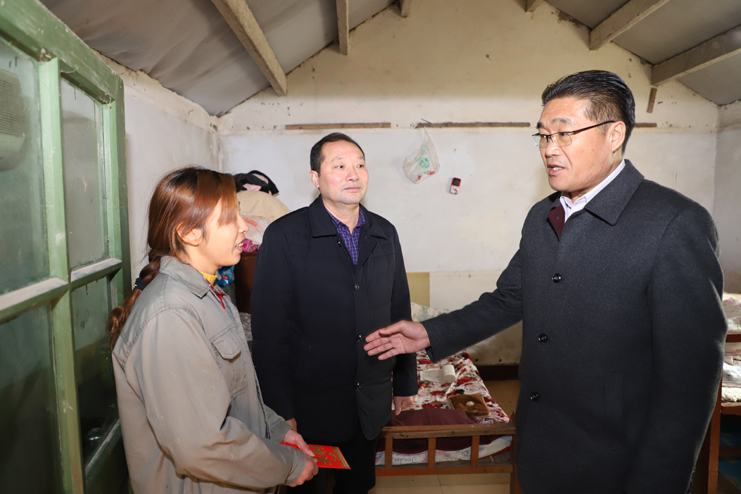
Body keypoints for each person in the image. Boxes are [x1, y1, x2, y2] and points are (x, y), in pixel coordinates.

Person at [364, 70, 727, 493]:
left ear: (614, 134)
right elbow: (509, 298)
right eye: (543, 135)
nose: (549, 149)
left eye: (564, 134)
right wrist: (429, 333)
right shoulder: (543, 216)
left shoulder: (674, 223)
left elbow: (689, 380)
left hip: (617, 464)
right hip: (542, 450)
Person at [107, 167, 318, 493]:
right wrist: (288, 464)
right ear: (190, 233)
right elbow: (203, 445)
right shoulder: (171, 315)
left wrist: (278, 430)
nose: (244, 226)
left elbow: (238, 395)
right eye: (231, 218)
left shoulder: (210, 295)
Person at [251, 133, 417, 493]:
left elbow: (398, 310)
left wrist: (405, 381)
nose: (353, 174)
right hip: (310, 406)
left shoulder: (384, 233)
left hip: (368, 402)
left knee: (358, 487)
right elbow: (268, 331)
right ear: (316, 178)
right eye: (339, 166)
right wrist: (280, 410)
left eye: (359, 165)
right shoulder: (285, 236)